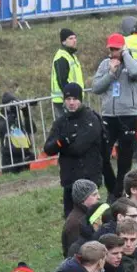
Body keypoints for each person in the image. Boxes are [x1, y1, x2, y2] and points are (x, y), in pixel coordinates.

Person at [44, 83, 106, 217]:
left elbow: (79, 147)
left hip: (90, 177)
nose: (71, 103)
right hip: (69, 179)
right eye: (68, 99)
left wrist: (62, 146)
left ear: (80, 99)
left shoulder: (91, 118)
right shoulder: (61, 122)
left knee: (92, 217)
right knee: (70, 218)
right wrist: (63, 141)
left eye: (75, 99)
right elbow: (48, 149)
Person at [92, 33, 137, 197]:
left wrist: (125, 55)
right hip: (109, 116)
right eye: (111, 49)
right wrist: (111, 74)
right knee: (102, 154)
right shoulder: (105, 64)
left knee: (125, 159)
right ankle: (113, 187)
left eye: (116, 49)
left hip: (128, 115)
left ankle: (119, 192)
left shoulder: (132, 62)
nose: (113, 52)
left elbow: (136, 72)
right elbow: (96, 87)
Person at [49, 29, 84, 119]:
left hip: (72, 99)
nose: (74, 40)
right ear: (63, 42)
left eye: (75, 38)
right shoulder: (62, 57)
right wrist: (70, 98)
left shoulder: (71, 55)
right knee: (67, 128)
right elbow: (62, 81)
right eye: (71, 38)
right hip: (64, 100)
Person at [62, 178, 100, 256]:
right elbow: (76, 254)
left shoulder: (88, 215)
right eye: (94, 194)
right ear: (83, 199)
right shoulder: (75, 223)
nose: (99, 197)